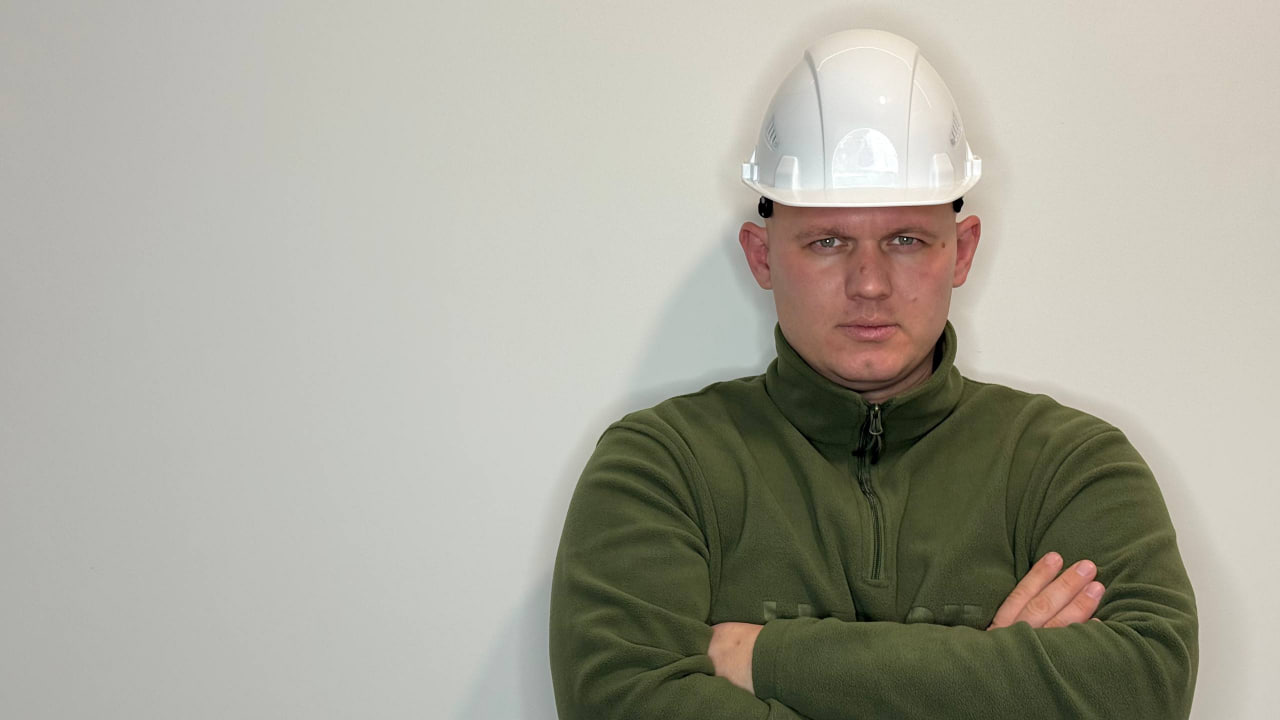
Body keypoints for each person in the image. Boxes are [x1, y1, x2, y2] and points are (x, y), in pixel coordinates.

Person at [549, 28, 1197, 719]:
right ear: (762, 256)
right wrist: (998, 680)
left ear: (962, 251)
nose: (869, 283)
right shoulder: (661, 467)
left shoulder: (1072, 467)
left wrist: (768, 657)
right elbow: (620, 702)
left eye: (906, 241)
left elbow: (1143, 686)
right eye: (827, 241)